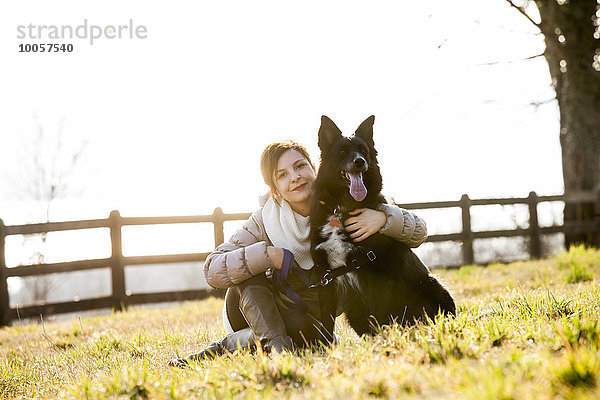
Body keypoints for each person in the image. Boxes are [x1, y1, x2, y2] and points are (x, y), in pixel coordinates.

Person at [168, 141, 427, 366]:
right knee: (249, 270)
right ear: (274, 188)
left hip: (303, 316)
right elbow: (212, 269)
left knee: (308, 341)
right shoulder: (263, 221)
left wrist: (384, 218)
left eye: (300, 166)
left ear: (314, 169)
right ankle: (279, 352)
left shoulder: (344, 202)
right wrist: (268, 255)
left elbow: (419, 232)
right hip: (251, 307)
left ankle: (231, 346)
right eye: (282, 174)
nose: (294, 177)